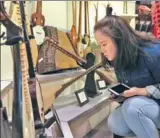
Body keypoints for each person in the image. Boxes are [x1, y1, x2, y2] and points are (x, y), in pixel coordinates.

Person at [94, 15, 160, 138]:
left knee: (132, 108)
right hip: (148, 106)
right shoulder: (120, 59)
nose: (102, 50)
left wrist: (142, 91)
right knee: (115, 123)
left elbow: (138, 97)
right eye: (99, 45)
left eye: (104, 44)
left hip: (152, 105)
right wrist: (122, 96)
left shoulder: (152, 53)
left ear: (118, 39)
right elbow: (130, 90)